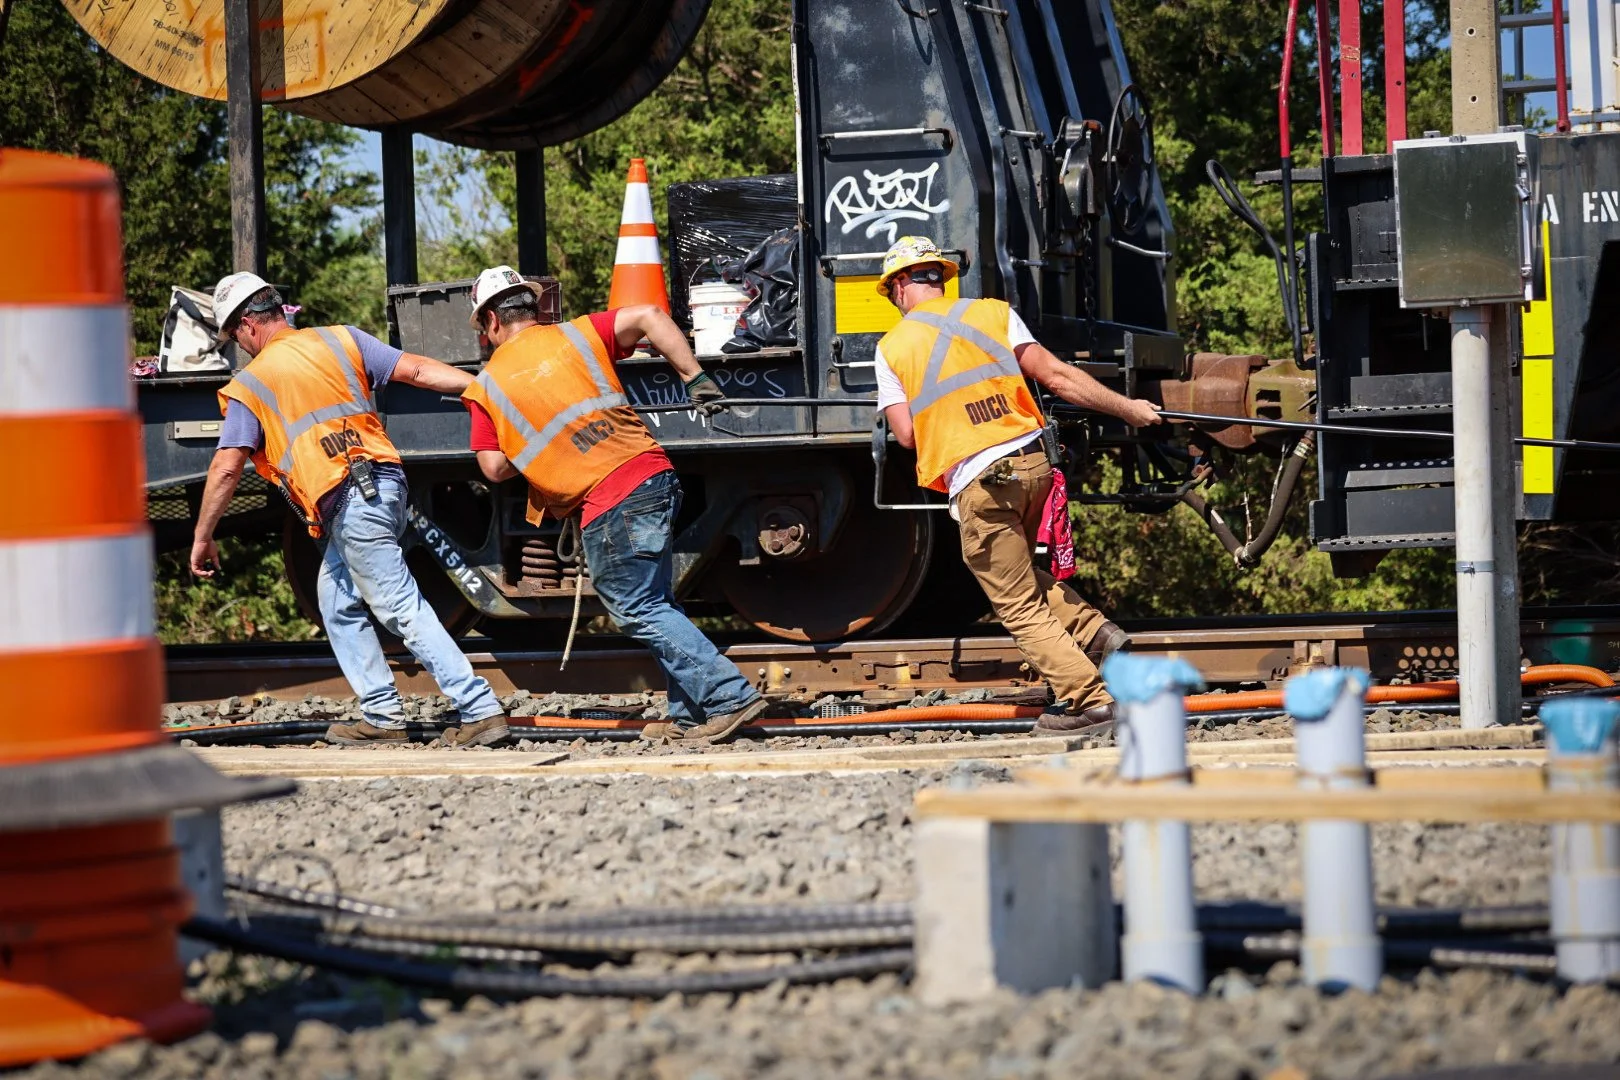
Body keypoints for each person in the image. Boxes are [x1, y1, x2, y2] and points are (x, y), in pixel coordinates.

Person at [190, 271, 509, 748]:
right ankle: (382, 715)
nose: (239, 344)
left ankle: (480, 709)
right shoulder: (342, 339)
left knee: (400, 607)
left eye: (234, 334)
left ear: (247, 326)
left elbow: (226, 468)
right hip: (384, 486)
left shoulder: (252, 381)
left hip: (351, 498)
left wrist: (202, 536)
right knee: (337, 604)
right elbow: (419, 371)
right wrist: (487, 391)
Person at [461, 266, 768, 744]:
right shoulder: (579, 334)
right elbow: (648, 314)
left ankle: (728, 696)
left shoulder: (486, 385)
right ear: (533, 308)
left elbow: (494, 469)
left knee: (634, 607)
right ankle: (687, 713)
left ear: (491, 324)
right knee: (657, 601)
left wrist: (541, 445)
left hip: (610, 498)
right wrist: (693, 376)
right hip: (653, 474)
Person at [871, 236, 1163, 733]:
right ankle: (1096, 634)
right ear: (939, 276)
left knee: (1014, 600)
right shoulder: (992, 313)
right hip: (1034, 466)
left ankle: (1089, 701)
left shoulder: (892, 347)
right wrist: (1130, 409)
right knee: (1020, 575)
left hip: (981, 480)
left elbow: (904, 435)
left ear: (900, 284)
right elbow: (1056, 376)